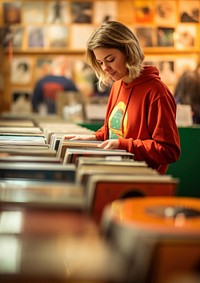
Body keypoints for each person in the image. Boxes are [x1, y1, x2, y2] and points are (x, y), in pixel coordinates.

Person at [64, 21, 180, 175]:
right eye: (100, 62)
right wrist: (92, 138)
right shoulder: (118, 85)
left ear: (129, 52)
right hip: (115, 173)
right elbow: (115, 132)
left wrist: (123, 145)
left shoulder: (157, 92)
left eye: (110, 59)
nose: (105, 68)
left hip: (140, 181)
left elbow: (168, 150)